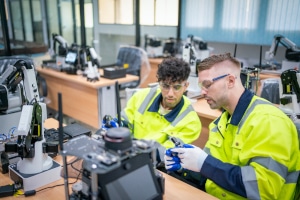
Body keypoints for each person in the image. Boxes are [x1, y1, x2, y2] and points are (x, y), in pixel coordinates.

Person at [164, 53, 300, 199]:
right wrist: (185, 166)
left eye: (207, 85)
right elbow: (216, 173)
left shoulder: (269, 121)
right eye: (201, 86)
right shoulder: (221, 122)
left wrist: (204, 163)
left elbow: (263, 189)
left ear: (230, 81)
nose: (202, 92)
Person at [119, 57, 201, 160]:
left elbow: (166, 153)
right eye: (165, 86)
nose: (170, 94)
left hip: (155, 163)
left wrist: (140, 152)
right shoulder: (141, 96)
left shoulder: (191, 122)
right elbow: (124, 121)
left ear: (186, 86)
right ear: (159, 84)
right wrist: (117, 130)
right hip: (128, 153)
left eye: (177, 87)